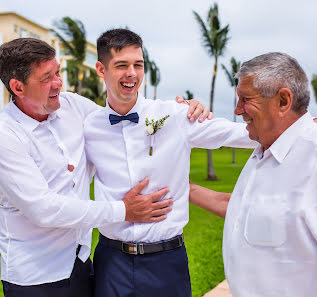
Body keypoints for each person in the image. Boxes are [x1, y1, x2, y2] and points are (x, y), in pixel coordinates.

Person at [0, 37, 210, 297]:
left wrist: (179, 111)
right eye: (47, 78)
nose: (58, 83)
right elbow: (43, 210)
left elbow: (123, 121)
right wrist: (124, 210)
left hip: (82, 264)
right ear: (17, 87)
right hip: (36, 276)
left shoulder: (72, 106)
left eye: (58, 72)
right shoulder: (0, 134)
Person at [83, 28, 257, 297]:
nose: (132, 73)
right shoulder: (88, 127)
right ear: (101, 69)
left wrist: (305, 126)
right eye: (121, 65)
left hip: (166, 261)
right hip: (111, 261)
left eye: (138, 65)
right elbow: (67, 176)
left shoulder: (175, 115)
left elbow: (239, 133)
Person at [189, 52, 317, 297]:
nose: (237, 110)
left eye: (245, 99)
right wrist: (182, 187)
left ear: (283, 101)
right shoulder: (264, 153)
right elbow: (240, 209)